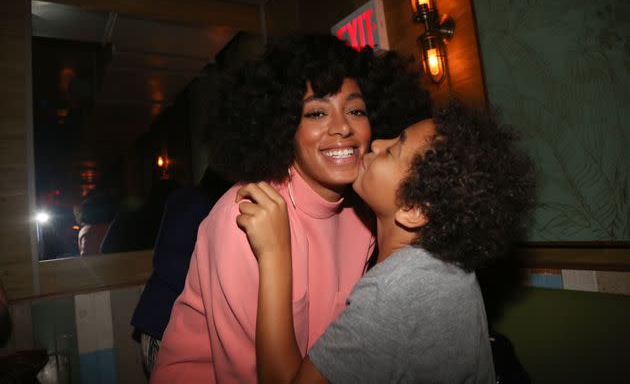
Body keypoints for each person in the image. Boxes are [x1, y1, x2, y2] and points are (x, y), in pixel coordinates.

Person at [151, 34, 432, 383]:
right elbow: (245, 374)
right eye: (316, 113)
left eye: (356, 110)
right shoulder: (243, 218)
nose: (343, 127)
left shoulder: (366, 211)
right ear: (286, 129)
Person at [237, 103, 536, 383]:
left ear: (414, 209)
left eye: (393, 150)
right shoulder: (449, 265)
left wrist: (275, 253)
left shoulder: (395, 290)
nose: (378, 143)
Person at [131, 167, 230, 376]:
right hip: (164, 323)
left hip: (174, 324)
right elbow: (167, 262)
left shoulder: (198, 202)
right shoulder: (192, 201)